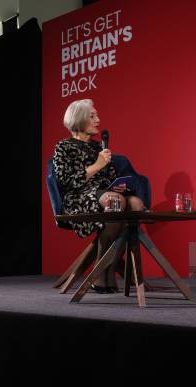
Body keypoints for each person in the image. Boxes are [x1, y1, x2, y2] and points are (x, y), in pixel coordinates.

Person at [53, 99, 145, 293]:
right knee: (114, 201)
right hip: (78, 198)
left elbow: (110, 178)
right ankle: (102, 275)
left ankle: (106, 272)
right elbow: (65, 182)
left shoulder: (98, 148)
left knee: (135, 203)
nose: (98, 119)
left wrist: (119, 186)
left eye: (96, 115)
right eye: (92, 116)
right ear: (79, 119)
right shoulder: (63, 147)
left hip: (105, 195)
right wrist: (97, 166)